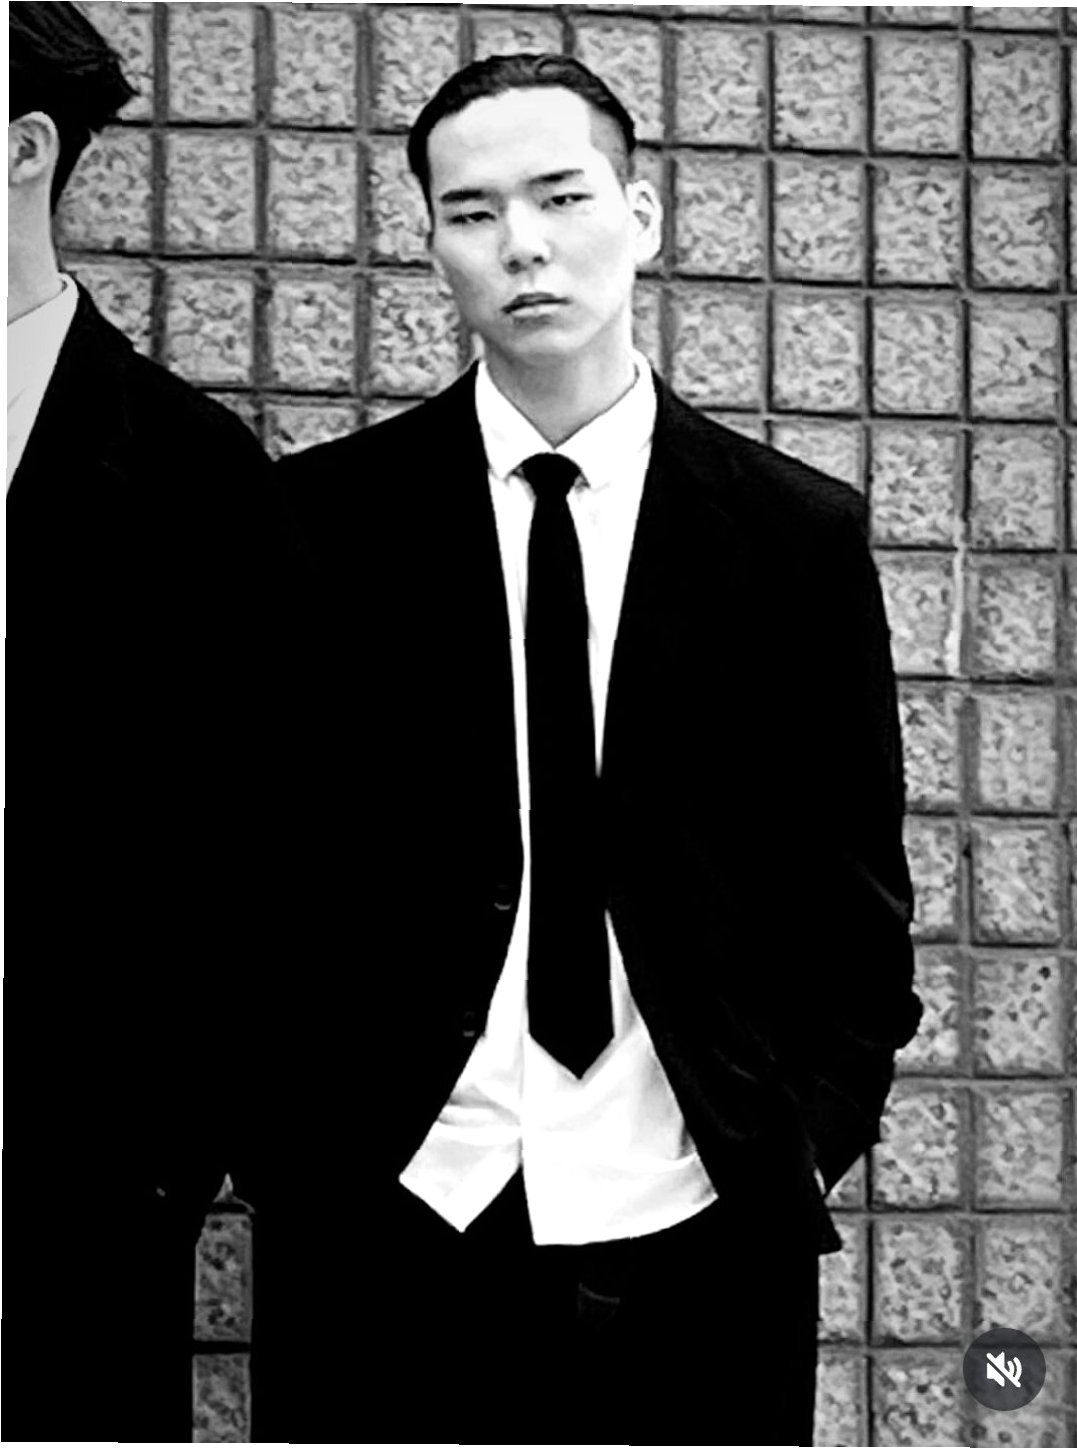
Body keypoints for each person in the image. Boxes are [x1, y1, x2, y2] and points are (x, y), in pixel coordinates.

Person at [273, 52, 923, 1446]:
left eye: (561, 195)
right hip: (389, 1226)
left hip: (699, 1229)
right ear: (433, 245)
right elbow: (244, 867)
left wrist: (801, 1134)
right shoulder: (320, 526)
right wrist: (292, 1151)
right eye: (472, 211)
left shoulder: (793, 536)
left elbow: (853, 897)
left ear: (643, 213)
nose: (522, 243)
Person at [5, 4, 311, 1440]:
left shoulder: (193, 477)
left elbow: (258, 847)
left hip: (74, 1196)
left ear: (23, 148)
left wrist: (165, 1157)